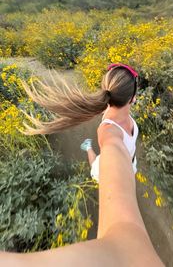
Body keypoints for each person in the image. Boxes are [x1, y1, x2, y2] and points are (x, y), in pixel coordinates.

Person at [0, 63, 164, 266]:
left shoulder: (125, 117)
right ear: (133, 98)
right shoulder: (107, 131)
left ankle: (89, 149)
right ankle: (87, 147)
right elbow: (113, 147)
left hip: (128, 164)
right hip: (111, 166)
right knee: (96, 163)